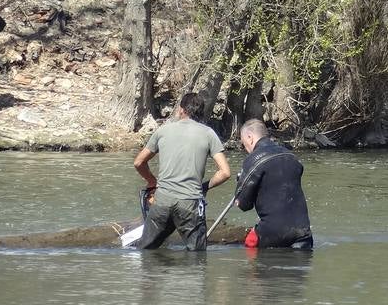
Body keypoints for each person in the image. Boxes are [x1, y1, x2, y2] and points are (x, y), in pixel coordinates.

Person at [133, 92, 231, 251]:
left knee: (146, 251)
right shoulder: (208, 134)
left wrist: (152, 181)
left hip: (162, 201)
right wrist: (204, 187)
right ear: (201, 112)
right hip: (190, 202)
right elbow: (225, 172)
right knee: (197, 256)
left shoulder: (163, 131)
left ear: (181, 109)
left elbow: (138, 162)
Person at [235, 119, 313, 250]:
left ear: (250, 137)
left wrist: (240, 186)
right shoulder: (291, 155)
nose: (246, 149)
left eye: (244, 144)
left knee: (250, 254)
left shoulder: (253, 159)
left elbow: (244, 204)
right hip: (303, 231)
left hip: (273, 233)